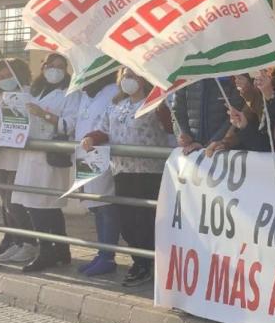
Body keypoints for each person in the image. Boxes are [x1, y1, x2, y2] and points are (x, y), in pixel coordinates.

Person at [81, 68, 172, 287]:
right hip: (122, 170)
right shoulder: (115, 106)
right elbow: (103, 130)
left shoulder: (156, 104)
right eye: (125, 76)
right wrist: (90, 138)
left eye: (133, 76)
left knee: (148, 220)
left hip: (150, 171)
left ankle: (150, 263)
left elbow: (171, 127)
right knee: (128, 221)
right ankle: (139, 261)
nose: (128, 80)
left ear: (144, 78)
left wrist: (162, 106)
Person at [11, 52, 81, 272]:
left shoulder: (70, 93)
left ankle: (47, 251)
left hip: (51, 156)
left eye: (61, 66)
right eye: (51, 65)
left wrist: (44, 114)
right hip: (30, 154)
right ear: (43, 67)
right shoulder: (34, 90)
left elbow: (69, 125)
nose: (55, 70)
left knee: (43, 206)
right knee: (40, 206)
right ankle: (61, 250)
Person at [73, 74, 121, 276]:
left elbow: (106, 126)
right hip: (86, 155)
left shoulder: (111, 91)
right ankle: (101, 252)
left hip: (103, 155)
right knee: (95, 207)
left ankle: (108, 256)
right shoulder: (87, 94)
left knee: (106, 207)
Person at [0, 58, 36, 264]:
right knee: (7, 204)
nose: (5, 80)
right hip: (1, 157)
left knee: (15, 203)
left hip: (20, 157)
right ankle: (16, 242)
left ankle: (29, 243)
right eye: (0, 77)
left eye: (8, 75)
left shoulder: (28, 93)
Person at [173, 77, 241, 155]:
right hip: (192, 149)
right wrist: (184, 134)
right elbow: (177, 111)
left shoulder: (231, 73)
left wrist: (214, 142)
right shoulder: (186, 71)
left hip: (224, 149)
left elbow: (237, 113)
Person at [206, 73, 269, 155]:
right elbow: (240, 124)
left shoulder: (273, 96)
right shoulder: (250, 102)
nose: (237, 81)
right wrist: (225, 143)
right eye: (235, 78)